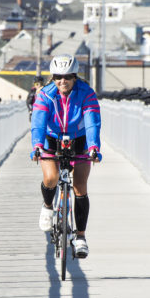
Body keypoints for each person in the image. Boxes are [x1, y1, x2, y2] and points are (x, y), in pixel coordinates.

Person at [30, 54, 101, 258]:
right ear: (53, 77)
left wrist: (94, 146)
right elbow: (38, 122)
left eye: (68, 77)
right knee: (51, 178)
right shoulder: (45, 94)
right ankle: (48, 205)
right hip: (51, 138)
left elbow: (92, 122)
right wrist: (37, 145)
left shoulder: (86, 93)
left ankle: (80, 237)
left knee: (80, 186)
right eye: (58, 77)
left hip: (79, 139)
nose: (63, 81)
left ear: (75, 77)